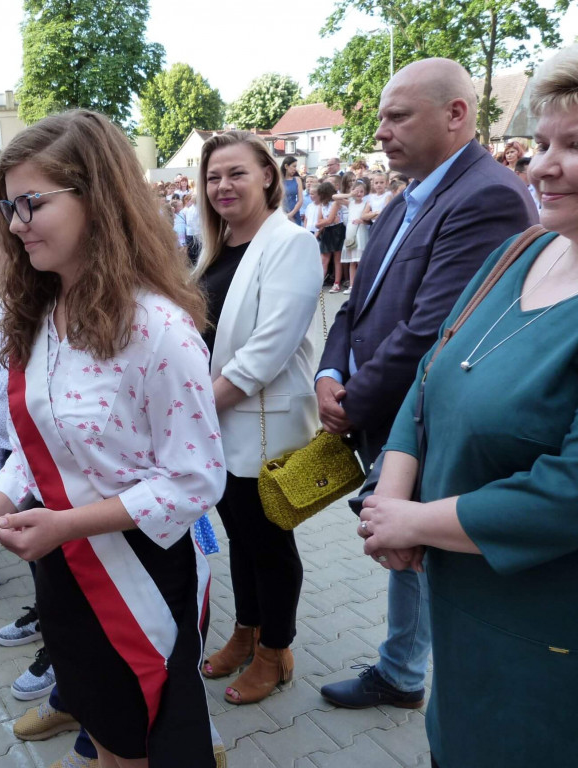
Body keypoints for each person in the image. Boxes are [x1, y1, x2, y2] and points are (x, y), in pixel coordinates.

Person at [0, 109, 226, 767]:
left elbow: (195, 480)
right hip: (64, 567)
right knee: (106, 733)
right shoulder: (41, 314)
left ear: (97, 198)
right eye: (8, 206)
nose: (16, 223)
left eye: (32, 203)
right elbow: (34, 448)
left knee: (146, 742)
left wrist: (66, 524)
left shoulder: (159, 331)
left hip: (139, 572)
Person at [358, 45, 578, 766]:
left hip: (546, 637)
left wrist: (416, 520)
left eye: (572, 147)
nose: (542, 165)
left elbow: (567, 492)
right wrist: (390, 501)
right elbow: (432, 372)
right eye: (543, 143)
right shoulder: (519, 252)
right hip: (461, 615)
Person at [314, 58, 538, 711]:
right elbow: (354, 304)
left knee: (428, 554)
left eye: (397, 116)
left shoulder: (488, 196)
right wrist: (330, 372)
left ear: (456, 115)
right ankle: (403, 671)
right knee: (402, 542)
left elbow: (429, 332)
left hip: (435, 426)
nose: (381, 132)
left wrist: (351, 403)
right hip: (391, 417)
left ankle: (441, 692)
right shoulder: (410, 193)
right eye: (381, 116)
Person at [192, 131, 321, 706]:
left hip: (259, 422)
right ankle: (246, 631)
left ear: (268, 175)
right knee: (240, 538)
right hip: (220, 424)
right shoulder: (214, 249)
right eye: (214, 176)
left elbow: (268, 349)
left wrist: (195, 408)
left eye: (236, 173)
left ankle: (276, 649)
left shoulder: (289, 243)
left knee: (269, 543)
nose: (223, 186)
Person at [341, 177, 371, 294]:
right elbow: (334, 197)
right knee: (352, 261)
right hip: (350, 233)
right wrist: (350, 194)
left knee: (360, 261)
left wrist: (362, 221)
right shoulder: (350, 203)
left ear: (365, 193)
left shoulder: (366, 204)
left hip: (361, 233)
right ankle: (352, 286)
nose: (359, 193)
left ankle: (362, 285)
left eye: (361, 191)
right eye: (356, 191)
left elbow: (369, 221)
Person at [315, 181, 344, 293]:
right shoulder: (322, 205)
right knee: (324, 259)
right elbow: (319, 221)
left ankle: (337, 283)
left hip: (338, 230)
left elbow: (329, 220)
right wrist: (323, 222)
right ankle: (319, 283)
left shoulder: (335, 203)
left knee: (337, 258)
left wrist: (323, 222)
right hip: (327, 231)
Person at [281, 155, 304, 226]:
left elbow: (300, 200)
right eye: (294, 166)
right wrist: (284, 215)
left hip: (294, 213)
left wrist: (291, 214)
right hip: (281, 214)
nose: (295, 169)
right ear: (286, 166)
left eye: (296, 166)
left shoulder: (297, 179)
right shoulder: (278, 180)